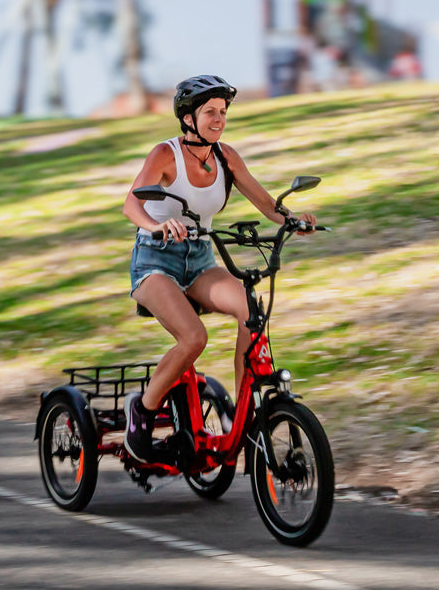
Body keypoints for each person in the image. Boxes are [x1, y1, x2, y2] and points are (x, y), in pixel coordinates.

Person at [120, 75, 317, 462]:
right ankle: (141, 411)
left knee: (251, 311)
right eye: (210, 111)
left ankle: (249, 415)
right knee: (194, 338)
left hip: (199, 261)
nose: (219, 119)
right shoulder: (165, 154)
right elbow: (131, 205)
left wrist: (293, 220)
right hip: (154, 261)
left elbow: (265, 202)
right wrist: (158, 225)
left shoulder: (226, 156)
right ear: (188, 117)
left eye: (223, 112)